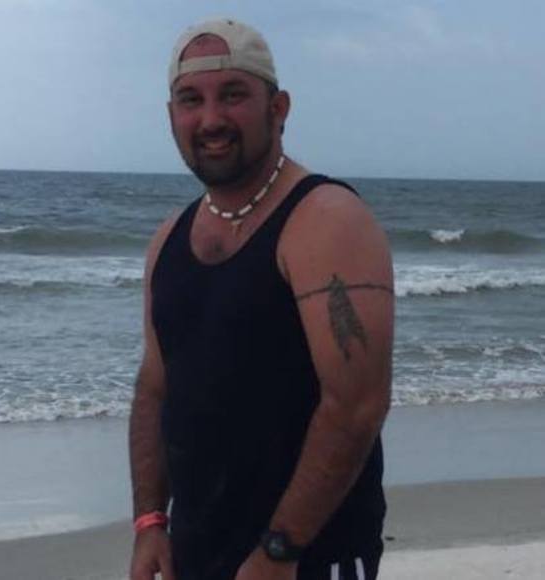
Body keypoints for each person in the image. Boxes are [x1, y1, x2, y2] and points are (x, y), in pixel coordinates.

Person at [129, 18, 394, 580]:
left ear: (278, 108)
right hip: (197, 554)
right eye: (191, 99)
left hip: (308, 558)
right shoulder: (168, 240)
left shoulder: (326, 220)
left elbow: (357, 403)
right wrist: (150, 521)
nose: (211, 119)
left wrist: (279, 551)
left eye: (233, 95)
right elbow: (155, 387)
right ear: (171, 115)